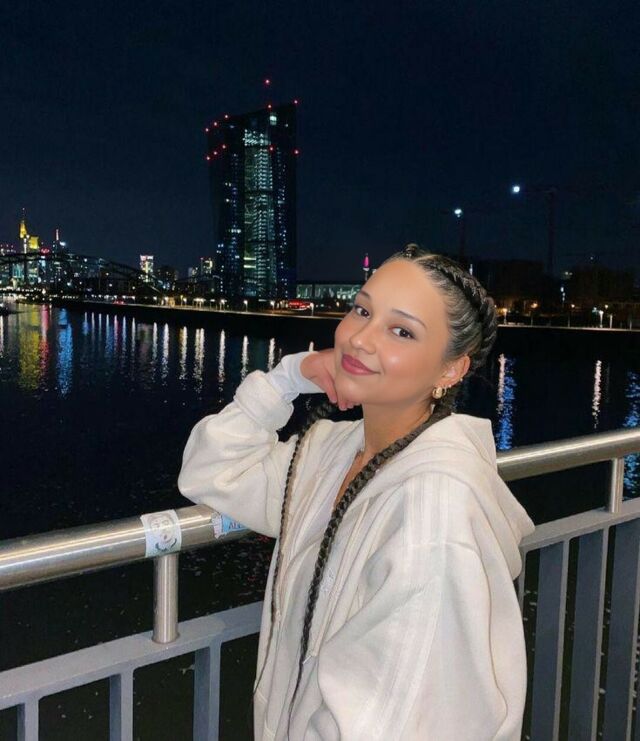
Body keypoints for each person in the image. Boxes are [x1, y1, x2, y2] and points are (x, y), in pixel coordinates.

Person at [177, 246, 536, 740]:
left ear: (450, 370)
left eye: (402, 331)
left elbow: (392, 719)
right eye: (362, 311)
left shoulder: (433, 512)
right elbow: (211, 470)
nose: (360, 338)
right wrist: (290, 377)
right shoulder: (332, 451)